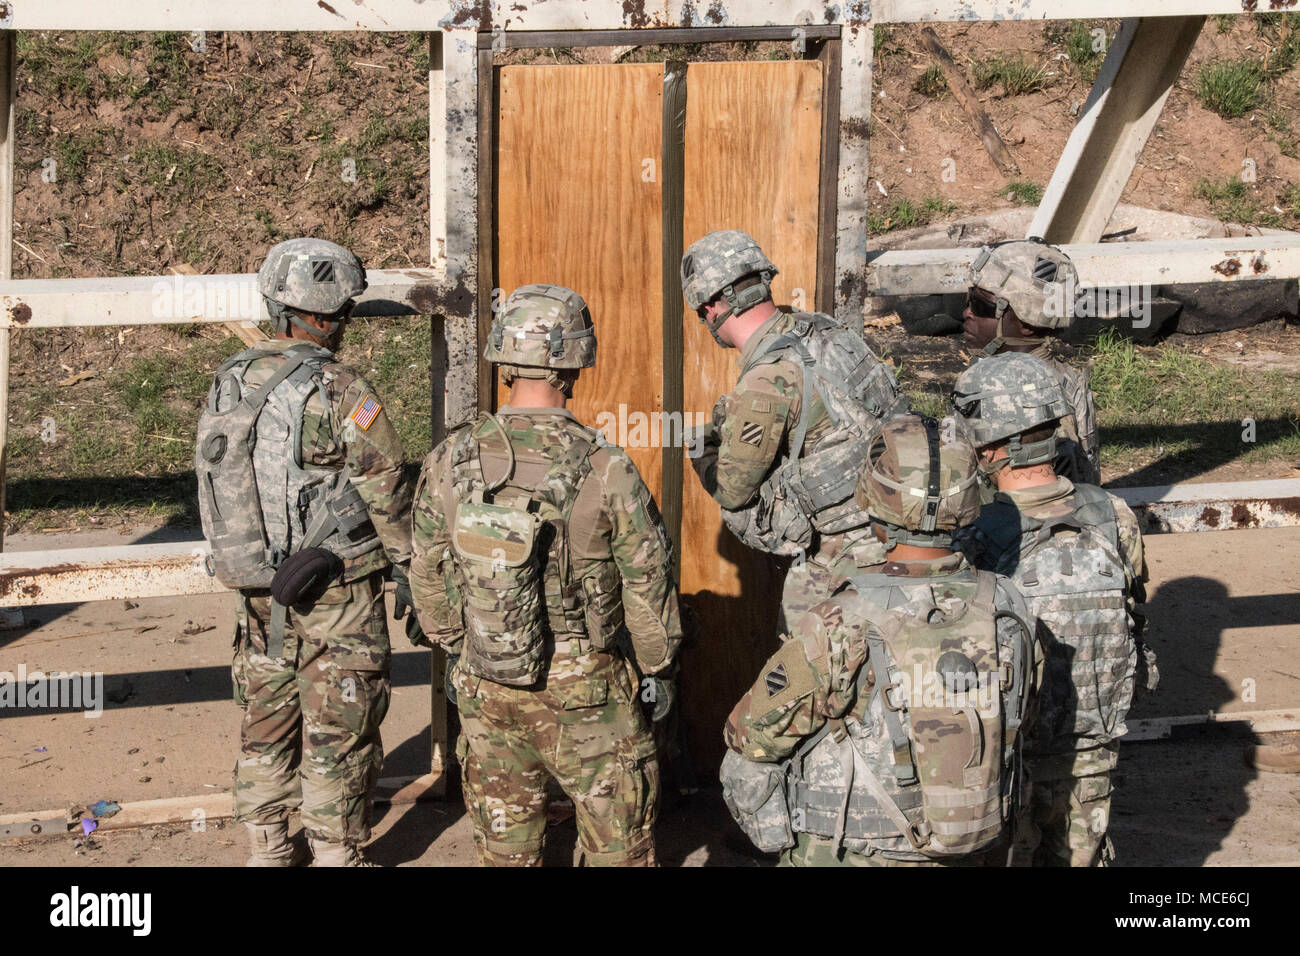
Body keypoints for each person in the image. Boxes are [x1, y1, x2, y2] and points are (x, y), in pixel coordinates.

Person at [408, 283, 683, 866]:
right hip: (587, 687)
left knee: (507, 853)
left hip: (486, 684)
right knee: (619, 850)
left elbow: (427, 575)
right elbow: (648, 585)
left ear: (504, 358)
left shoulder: (449, 459)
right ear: (574, 361)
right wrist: (657, 668)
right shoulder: (607, 467)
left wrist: (469, 645)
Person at [719, 415, 1041, 866]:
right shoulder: (1006, 601)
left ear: (874, 505)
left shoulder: (839, 619)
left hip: (864, 851)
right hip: (974, 844)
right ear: (969, 502)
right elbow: (1028, 709)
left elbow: (751, 735)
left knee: (744, 765)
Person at [195, 237, 417, 866]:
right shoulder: (345, 388)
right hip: (336, 584)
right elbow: (386, 479)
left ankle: (265, 851)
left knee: (265, 718)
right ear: (325, 316)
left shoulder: (230, 381)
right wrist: (411, 565)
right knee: (340, 723)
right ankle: (337, 855)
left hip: (259, 585)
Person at [951, 352, 1151, 866]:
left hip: (1007, 750)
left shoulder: (971, 536)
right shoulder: (1113, 515)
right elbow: (1135, 616)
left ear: (992, 446)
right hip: (1092, 744)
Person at [681, 229, 908, 631]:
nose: (705, 319)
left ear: (715, 305)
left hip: (845, 557)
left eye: (701, 311)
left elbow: (734, 491)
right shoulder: (825, 330)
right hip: (905, 530)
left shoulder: (764, 381)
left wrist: (704, 452)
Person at [962, 238, 1100, 485]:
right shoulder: (1067, 379)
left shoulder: (1020, 393)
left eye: (979, 305)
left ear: (1024, 324)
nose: (967, 313)